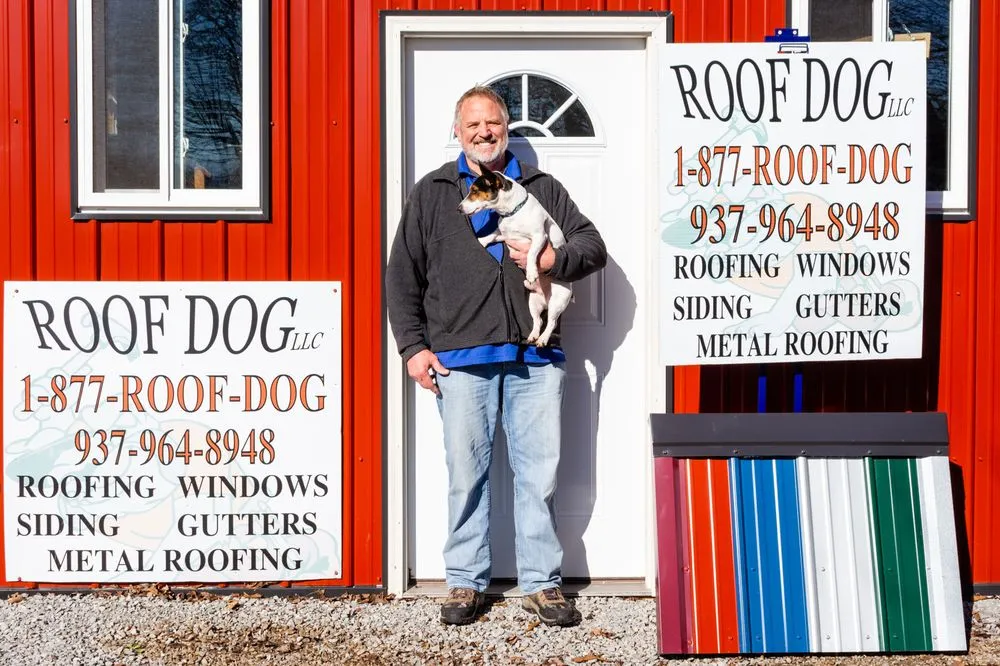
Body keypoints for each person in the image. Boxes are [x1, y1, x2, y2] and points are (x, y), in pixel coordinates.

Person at [385, 85, 607, 626]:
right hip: (460, 359)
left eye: (494, 124)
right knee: (467, 473)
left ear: (507, 129)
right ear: (457, 132)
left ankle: (542, 583)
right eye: (473, 125)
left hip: (536, 358)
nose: (485, 133)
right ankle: (465, 581)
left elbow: (593, 247)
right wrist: (413, 348)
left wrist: (553, 255)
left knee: (540, 475)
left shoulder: (541, 188)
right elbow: (401, 276)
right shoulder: (434, 192)